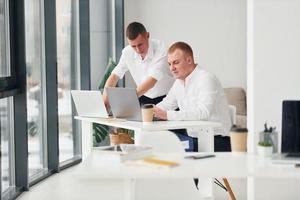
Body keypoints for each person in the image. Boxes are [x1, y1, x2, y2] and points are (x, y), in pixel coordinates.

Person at [154, 41, 232, 152]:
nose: (172, 68)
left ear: (189, 60)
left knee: (169, 149)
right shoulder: (179, 82)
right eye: (169, 64)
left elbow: (203, 112)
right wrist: (150, 110)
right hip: (194, 137)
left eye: (175, 62)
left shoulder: (206, 78)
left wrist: (167, 115)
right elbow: (167, 104)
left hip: (217, 140)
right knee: (162, 143)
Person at [103, 22, 174, 106]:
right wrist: (105, 101)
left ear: (147, 35)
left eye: (140, 44)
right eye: (133, 46)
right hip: (142, 97)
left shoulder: (161, 49)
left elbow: (152, 81)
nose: (138, 50)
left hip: (167, 98)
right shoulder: (127, 52)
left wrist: (127, 101)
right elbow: (114, 76)